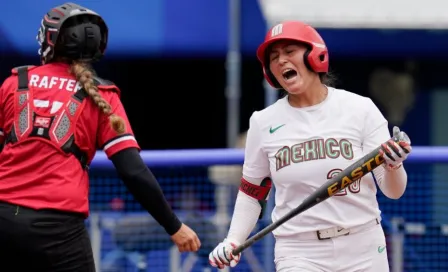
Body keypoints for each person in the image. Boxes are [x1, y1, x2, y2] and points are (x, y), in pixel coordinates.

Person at [0, 2, 200, 271]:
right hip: (59, 229)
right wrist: (174, 226)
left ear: (51, 40)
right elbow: (133, 171)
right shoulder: (103, 96)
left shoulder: (14, 82)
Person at [208, 20, 412, 271]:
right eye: (274, 57)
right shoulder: (263, 122)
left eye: (289, 52)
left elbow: (393, 191)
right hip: (299, 251)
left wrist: (393, 165)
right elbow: (252, 193)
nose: (281, 60)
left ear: (315, 55)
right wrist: (233, 240)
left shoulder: (360, 109)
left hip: (363, 245)